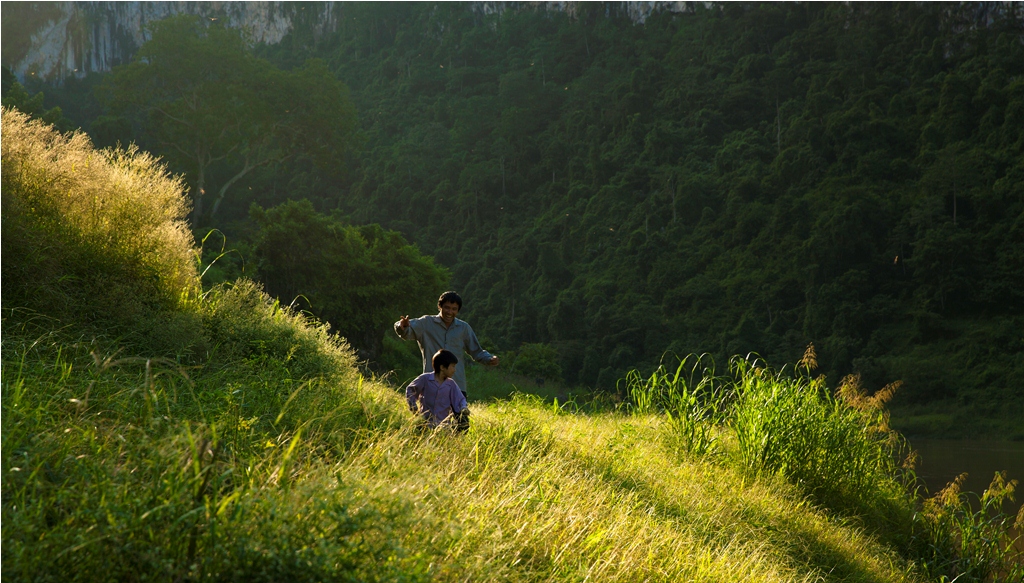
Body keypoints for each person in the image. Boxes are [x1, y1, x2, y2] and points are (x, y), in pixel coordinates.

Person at [395, 290, 498, 397]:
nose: (450, 312)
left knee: (460, 413)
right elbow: (406, 332)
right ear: (440, 307)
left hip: (457, 385)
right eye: (447, 307)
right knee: (430, 414)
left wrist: (489, 359)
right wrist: (402, 326)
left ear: (458, 311)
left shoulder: (463, 328)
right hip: (432, 384)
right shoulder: (426, 323)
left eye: (454, 309)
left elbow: (476, 351)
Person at [407, 349, 469, 430]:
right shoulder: (425, 379)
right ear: (442, 367)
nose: (455, 370)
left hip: (444, 428)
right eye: (453, 366)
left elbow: (460, 399)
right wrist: (413, 407)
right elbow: (410, 390)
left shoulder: (451, 384)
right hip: (425, 425)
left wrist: (463, 408)